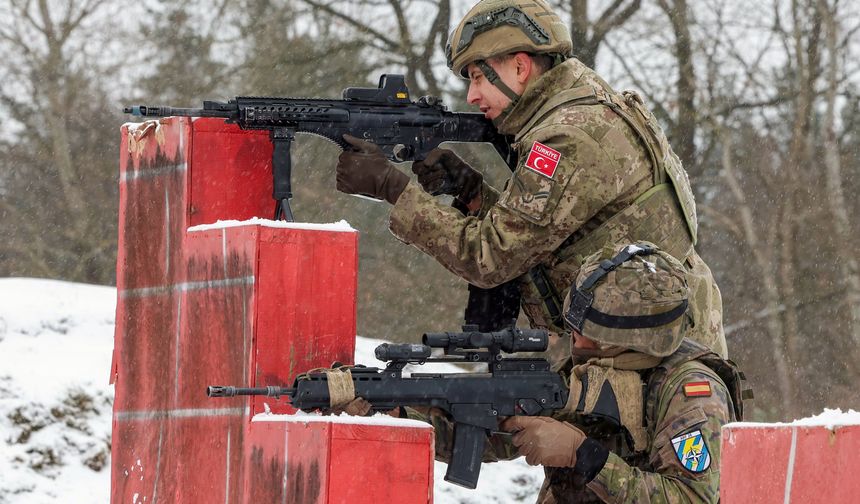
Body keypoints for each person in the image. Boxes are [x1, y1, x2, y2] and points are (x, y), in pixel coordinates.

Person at [334, 0, 727, 362]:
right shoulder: (584, 106)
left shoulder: (565, 137)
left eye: (477, 77)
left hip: (651, 356)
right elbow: (549, 234)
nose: (471, 96)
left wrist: (393, 189)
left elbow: (490, 257)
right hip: (646, 342)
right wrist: (472, 193)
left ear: (520, 68)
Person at [409, 242, 745, 503]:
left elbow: (691, 498)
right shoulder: (591, 363)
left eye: (587, 325)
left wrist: (583, 455)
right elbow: (493, 436)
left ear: (628, 335)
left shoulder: (691, 391)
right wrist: (402, 416)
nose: (572, 331)